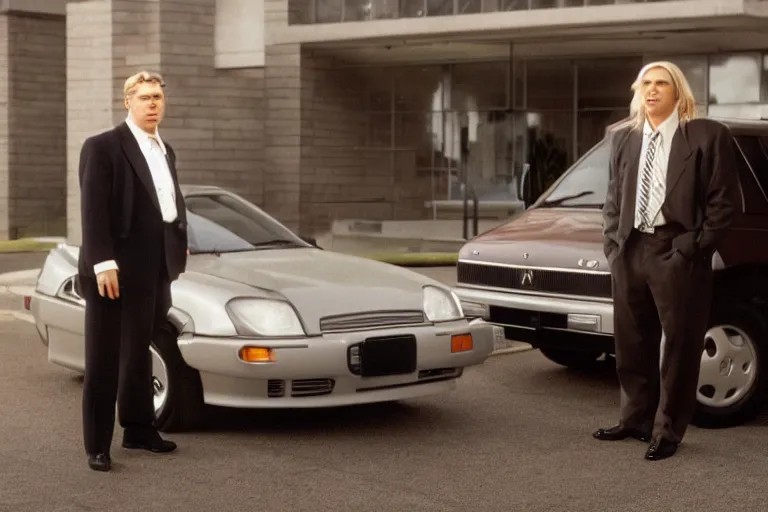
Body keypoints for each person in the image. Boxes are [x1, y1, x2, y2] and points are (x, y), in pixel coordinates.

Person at [595, 61, 740, 461]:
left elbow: (725, 205)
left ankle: (668, 431)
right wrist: (613, 245)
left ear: (678, 92)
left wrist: (691, 249)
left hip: (676, 251)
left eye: (662, 83)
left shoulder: (708, 136)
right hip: (630, 250)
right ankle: (635, 420)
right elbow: (612, 199)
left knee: (678, 345)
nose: (653, 90)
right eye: (646, 83)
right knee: (631, 341)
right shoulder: (623, 138)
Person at [77, 70, 188, 472]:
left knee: (139, 353)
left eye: (158, 96)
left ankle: (139, 429)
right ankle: (97, 446)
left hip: (154, 270)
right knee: (104, 358)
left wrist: (177, 245)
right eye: (144, 97)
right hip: (114, 272)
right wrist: (102, 262)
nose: (153, 103)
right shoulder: (103, 147)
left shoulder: (165, 149)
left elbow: (168, 205)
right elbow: (93, 211)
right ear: (128, 102)